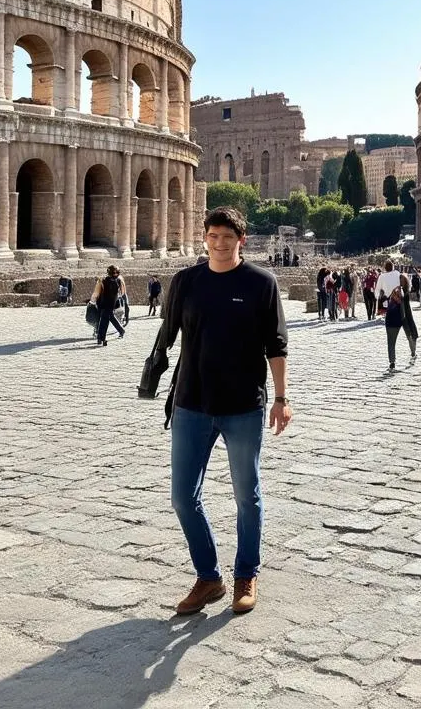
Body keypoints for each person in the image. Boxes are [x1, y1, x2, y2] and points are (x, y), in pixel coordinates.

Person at [161, 206, 290, 616]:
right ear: (204, 238)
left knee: (246, 497)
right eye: (213, 236)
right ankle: (208, 576)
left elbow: (277, 345)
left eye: (227, 237)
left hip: (242, 406)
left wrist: (282, 399)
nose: (219, 243)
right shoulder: (186, 281)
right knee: (183, 497)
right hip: (191, 402)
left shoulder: (261, 283)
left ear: (241, 241)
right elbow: (171, 335)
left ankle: (245, 575)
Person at [91, 265, 126, 346]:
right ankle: (120, 330)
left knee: (104, 321)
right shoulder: (103, 281)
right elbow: (96, 292)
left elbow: (122, 292)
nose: (115, 274)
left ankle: (101, 338)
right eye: (114, 272)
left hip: (109, 304)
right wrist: (92, 301)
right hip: (104, 303)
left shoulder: (118, 281)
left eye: (116, 272)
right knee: (109, 318)